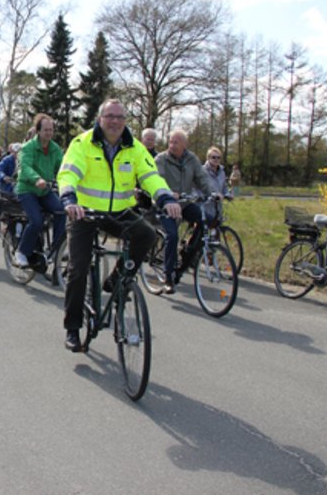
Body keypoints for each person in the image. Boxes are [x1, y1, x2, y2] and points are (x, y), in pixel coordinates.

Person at [59, 100, 179, 351]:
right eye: (109, 116)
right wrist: (69, 199)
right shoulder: (82, 143)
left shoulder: (134, 147)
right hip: (85, 212)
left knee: (147, 234)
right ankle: (73, 327)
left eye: (120, 117)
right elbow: (68, 173)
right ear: (100, 118)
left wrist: (165, 197)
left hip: (119, 211)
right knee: (78, 268)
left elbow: (150, 176)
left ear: (126, 121)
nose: (114, 121)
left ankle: (117, 280)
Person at [154, 129, 215, 293]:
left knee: (208, 220)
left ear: (184, 145)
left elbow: (202, 178)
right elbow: (156, 179)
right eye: (170, 142)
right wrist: (168, 193)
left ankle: (187, 254)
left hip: (184, 203)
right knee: (172, 235)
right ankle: (168, 277)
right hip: (166, 204)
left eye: (176, 142)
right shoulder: (161, 159)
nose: (172, 145)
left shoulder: (191, 159)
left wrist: (213, 193)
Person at [14, 114, 65, 268]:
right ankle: (21, 252)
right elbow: (25, 167)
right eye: (46, 130)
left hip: (45, 190)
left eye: (51, 130)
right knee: (36, 221)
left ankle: (57, 249)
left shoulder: (55, 149)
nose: (49, 133)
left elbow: (62, 168)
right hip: (27, 190)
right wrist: (37, 179)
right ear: (38, 131)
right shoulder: (28, 147)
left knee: (61, 211)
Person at [201, 146, 231, 219]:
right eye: (213, 157)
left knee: (217, 228)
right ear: (208, 158)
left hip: (217, 208)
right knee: (203, 229)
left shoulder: (222, 172)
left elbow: (224, 187)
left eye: (218, 157)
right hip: (205, 207)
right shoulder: (202, 171)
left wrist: (228, 194)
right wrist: (213, 194)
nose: (216, 159)